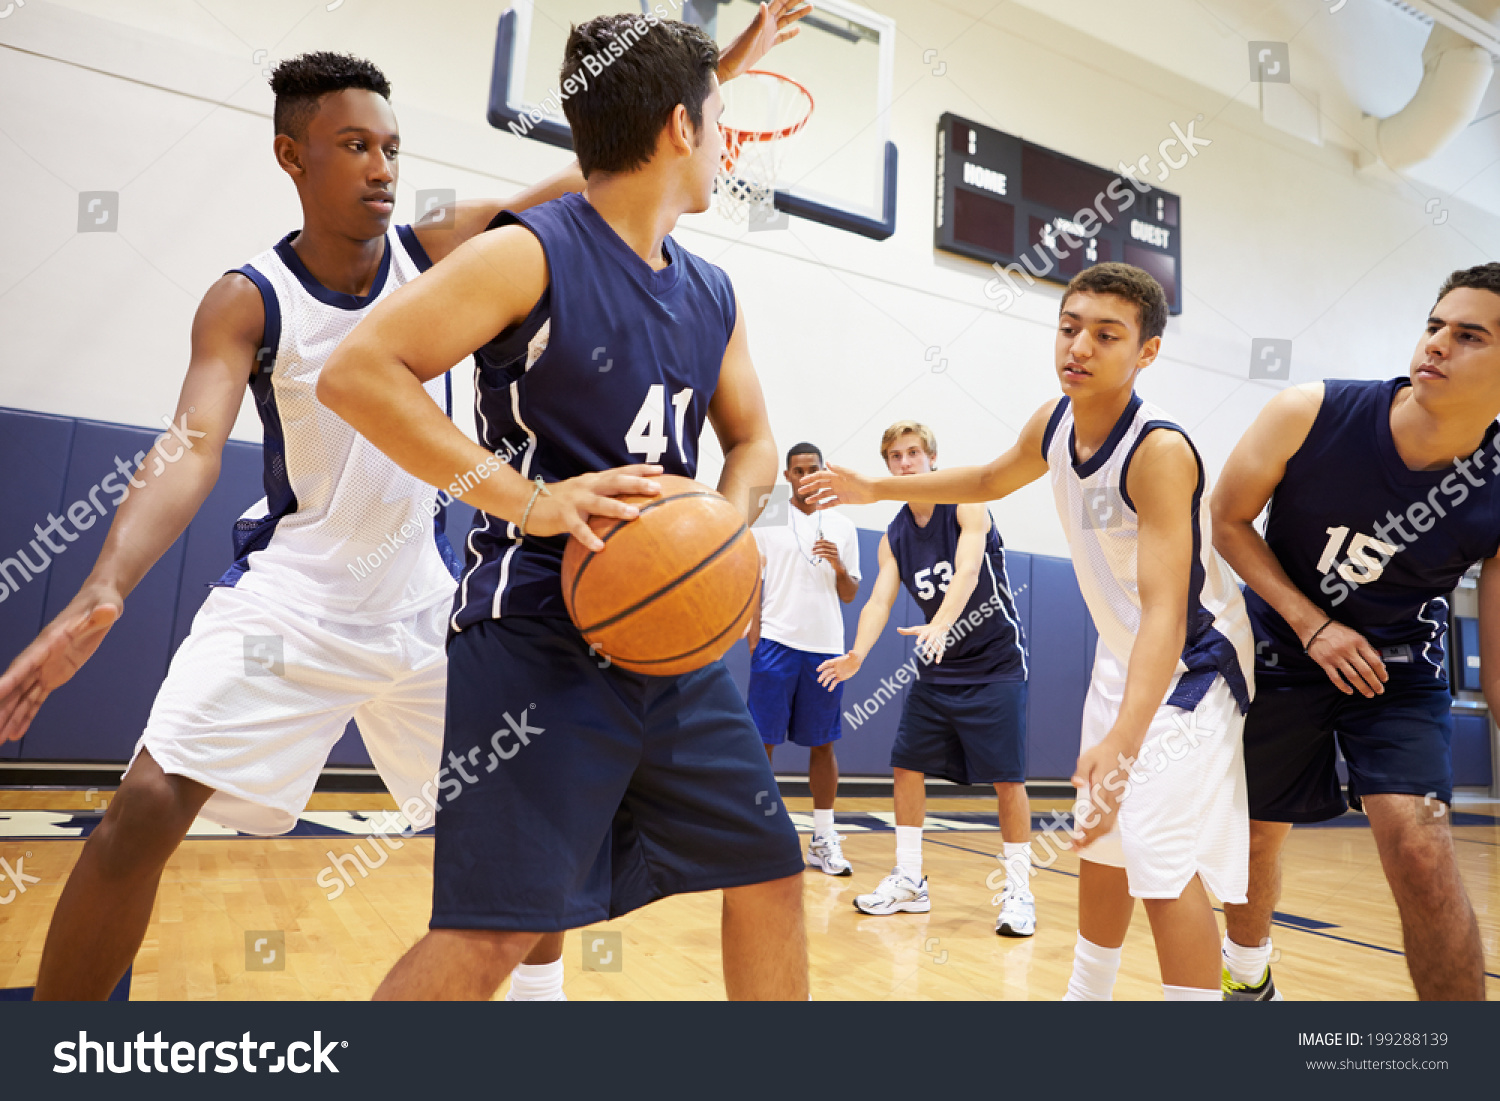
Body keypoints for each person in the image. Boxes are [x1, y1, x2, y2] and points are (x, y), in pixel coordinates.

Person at [0, 3, 804, 1001]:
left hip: (424, 606)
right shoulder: (253, 295)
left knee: (542, 890)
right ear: (292, 157)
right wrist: (105, 584)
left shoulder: (435, 248)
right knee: (147, 809)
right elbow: (192, 448)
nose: (381, 167)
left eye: (391, 146)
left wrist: (711, 73)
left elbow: (611, 176)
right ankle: (64, 1034)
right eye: (353, 146)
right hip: (297, 601)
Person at [318, 13, 809, 1001]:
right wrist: (529, 500)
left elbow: (754, 441)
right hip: (539, 630)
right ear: (680, 128)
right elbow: (359, 373)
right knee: (493, 934)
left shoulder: (714, 292)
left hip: (671, 638)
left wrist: (720, 525)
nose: (727, 143)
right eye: (720, 119)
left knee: (769, 870)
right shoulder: (531, 253)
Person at [807, 264, 1254, 1000]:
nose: (1079, 345)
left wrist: (1125, 739)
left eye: (1106, 334)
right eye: (1069, 326)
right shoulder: (1054, 421)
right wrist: (879, 488)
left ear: (1146, 352)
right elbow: (984, 479)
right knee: (1100, 836)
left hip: (1194, 662)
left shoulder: (1160, 452)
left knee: (1155, 847)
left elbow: (1169, 614)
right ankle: (1083, 998)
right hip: (1126, 652)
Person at [1212, 262, 1500, 1002]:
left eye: (1468, 335)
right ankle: (1248, 982)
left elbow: (1497, 674)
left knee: (1421, 844)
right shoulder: (1309, 410)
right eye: (1434, 324)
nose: (1436, 343)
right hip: (1280, 644)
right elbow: (1227, 518)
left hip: (1396, 672)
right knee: (1257, 833)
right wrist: (1314, 625)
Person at [815, 421, 1034, 934]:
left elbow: (968, 573)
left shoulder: (965, 502)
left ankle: (1019, 890)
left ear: (931, 459)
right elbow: (878, 600)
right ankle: (910, 880)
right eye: (896, 456)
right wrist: (858, 654)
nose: (906, 462)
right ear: (888, 466)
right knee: (906, 766)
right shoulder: (893, 535)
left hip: (994, 663)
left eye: (915, 453)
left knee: (1008, 780)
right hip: (938, 668)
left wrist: (940, 623)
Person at [747, 442, 861, 876]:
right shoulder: (769, 510)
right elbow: (750, 577)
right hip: (776, 642)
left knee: (823, 743)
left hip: (826, 647)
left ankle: (823, 838)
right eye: (797, 471)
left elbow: (850, 594)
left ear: (822, 472)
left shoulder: (843, 524)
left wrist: (838, 566)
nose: (805, 477)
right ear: (788, 476)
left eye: (813, 469)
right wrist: (755, 639)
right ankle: (759, 834)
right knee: (763, 742)